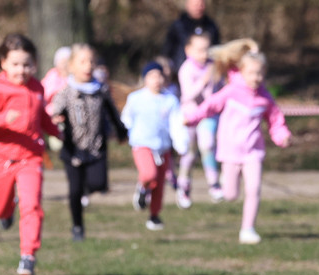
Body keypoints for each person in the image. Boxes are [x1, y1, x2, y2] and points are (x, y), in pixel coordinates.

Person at [185, 39, 291, 245]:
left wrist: (282, 136)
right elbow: (210, 105)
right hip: (230, 151)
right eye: (252, 73)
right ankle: (226, 182)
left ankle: (248, 229)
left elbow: (275, 120)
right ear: (241, 72)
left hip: (253, 152)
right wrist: (191, 118)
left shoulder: (265, 98)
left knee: (253, 189)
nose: (256, 77)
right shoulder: (231, 91)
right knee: (231, 195)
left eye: (260, 73)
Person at [0, 33, 61, 275]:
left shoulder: (37, 87)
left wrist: (56, 130)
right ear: (4, 63)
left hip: (31, 157)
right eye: (15, 64)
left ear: (34, 64)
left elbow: (42, 116)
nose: (21, 70)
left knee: (32, 205)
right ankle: (6, 211)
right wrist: (4, 119)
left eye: (27, 64)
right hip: (2, 158)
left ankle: (28, 255)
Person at [49, 43, 127, 241]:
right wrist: (55, 118)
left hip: (96, 148)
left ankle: (87, 190)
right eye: (82, 61)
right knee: (74, 191)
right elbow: (54, 110)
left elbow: (112, 113)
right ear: (71, 66)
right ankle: (77, 226)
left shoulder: (100, 89)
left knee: (98, 183)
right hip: (73, 150)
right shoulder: (66, 91)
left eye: (91, 61)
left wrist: (121, 132)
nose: (88, 66)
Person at [120, 61, 186, 232]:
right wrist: (124, 131)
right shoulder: (136, 98)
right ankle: (142, 188)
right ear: (145, 79)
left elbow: (176, 124)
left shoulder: (170, 100)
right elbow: (127, 118)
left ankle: (154, 216)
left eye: (159, 76)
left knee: (159, 184)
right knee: (149, 174)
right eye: (152, 76)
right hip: (142, 144)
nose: (156, 80)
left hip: (162, 148)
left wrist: (180, 143)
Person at [176, 32, 222, 207]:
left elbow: (220, 90)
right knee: (189, 153)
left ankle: (214, 184)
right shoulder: (186, 69)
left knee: (208, 145)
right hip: (189, 117)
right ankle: (184, 187)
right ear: (189, 50)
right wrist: (203, 82)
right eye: (200, 50)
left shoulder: (214, 66)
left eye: (207, 49)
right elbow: (187, 95)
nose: (205, 53)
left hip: (208, 115)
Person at [162, 0, 221, 71]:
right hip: (178, 71)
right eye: (195, 5)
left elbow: (217, 48)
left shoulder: (211, 25)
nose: (199, 8)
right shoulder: (178, 25)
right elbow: (167, 49)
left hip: (206, 71)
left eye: (201, 5)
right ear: (187, 5)